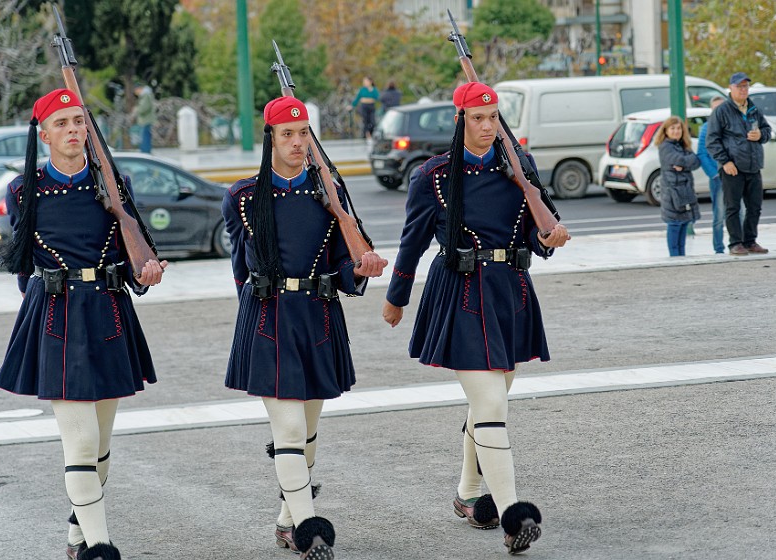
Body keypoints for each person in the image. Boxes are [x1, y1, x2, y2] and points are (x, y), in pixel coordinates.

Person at [381, 82, 569, 555]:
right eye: (477, 119)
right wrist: (397, 296)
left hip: (511, 293)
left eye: (493, 119)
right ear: (460, 120)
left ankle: (468, 494)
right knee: (492, 408)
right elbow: (412, 242)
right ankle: (512, 513)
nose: (486, 127)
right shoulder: (435, 176)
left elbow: (534, 228)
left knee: (491, 403)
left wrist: (549, 238)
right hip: (462, 294)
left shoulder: (518, 168)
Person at [0, 89, 167, 560]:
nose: (74, 130)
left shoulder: (114, 183)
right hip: (56, 317)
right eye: (63, 122)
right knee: (82, 439)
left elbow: (135, 256)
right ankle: (98, 547)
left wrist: (145, 272)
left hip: (109, 313)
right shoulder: (23, 191)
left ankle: (76, 535)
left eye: (80, 121)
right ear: (44, 133)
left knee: (102, 442)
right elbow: (23, 266)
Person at [221, 96, 387, 559]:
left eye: (303, 134)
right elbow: (240, 267)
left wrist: (362, 268)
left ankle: (286, 519)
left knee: (308, 432)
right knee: (290, 431)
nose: (297, 143)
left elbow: (343, 265)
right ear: (270, 139)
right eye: (287, 134)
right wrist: (250, 320)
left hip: (317, 317)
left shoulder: (327, 191)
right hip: (269, 318)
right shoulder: (243, 197)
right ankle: (309, 529)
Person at [706, 72, 770, 255]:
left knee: (755, 207)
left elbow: (766, 130)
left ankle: (750, 240)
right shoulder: (722, 111)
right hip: (732, 167)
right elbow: (712, 140)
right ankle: (735, 243)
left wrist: (760, 136)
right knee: (732, 207)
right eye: (739, 86)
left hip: (754, 165)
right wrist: (725, 161)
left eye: (745, 86)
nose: (743, 90)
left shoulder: (753, 109)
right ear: (731, 88)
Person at [655, 116, 701, 257]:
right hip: (673, 194)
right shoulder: (665, 147)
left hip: (685, 192)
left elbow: (696, 161)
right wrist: (686, 162)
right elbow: (680, 160)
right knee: (674, 225)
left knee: (683, 225)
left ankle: (681, 258)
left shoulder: (683, 145)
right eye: (672, 128)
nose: (676, 131)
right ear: (666, 131)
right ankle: (675, 259)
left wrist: (684, 165)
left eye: (678, 128)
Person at [697, 96, 728, 254]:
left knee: (741, 212)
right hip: (718, 179)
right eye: (715, 108)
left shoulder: (733, 125)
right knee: (719, 216)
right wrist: (714, 175)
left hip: (736, 177)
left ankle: (740, 244)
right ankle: (719, 248)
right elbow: (702, 153)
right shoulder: (706, 128)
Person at [351, 76, 379, 145]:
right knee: (365, 121)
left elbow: (377, 97)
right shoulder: (362, 90)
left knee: (373, 122)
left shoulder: (374, 89)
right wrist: (352, 105)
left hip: (371, 107)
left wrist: (368, 98)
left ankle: (371, 134)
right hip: (364, 107)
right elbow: (358, 98)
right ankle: (367, 136)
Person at [132, 84, 156, 154]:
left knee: (145, 138)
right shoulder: (145, 95)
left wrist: (136, 109)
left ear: (139, 89)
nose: (136, 93)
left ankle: (145, 153)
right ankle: (145, 152)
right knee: (145, 137)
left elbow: (144, 108)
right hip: (145, 120)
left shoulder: (145, 95)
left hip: (146, 120)